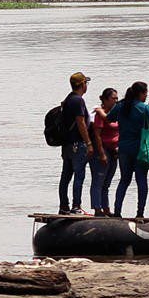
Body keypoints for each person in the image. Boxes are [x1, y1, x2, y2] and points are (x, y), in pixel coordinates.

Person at [111, 81, 149, 218]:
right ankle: (140, 214)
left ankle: (117, 212)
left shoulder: (120, 106)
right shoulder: (145, 108)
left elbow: (109, 119)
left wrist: (100, 111)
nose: (146, 96)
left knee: (124, 180)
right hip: (140, 150)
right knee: (141, 180)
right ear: (141, 93)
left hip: (124, 149)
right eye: (145, 93)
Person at [57, 72, 92, 215]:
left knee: (65, 176)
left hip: (67, 144)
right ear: (82, 84)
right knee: (79, 175)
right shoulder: (78, 100)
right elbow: (81, 122)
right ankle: (75, 206)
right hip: (77, 144)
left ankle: (63, 206)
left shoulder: (68, 100)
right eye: (86, 83)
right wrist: (88, 142)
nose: (86, 86)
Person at [89, 86, 119, 216]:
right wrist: (101, 153)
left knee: (107, 183)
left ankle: (106, 208)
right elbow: (97, 135)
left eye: (117, 98)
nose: (116, 101)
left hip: (114, 151)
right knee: (98, 181)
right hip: (102, 150)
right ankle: (97, 208)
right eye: (113, 98)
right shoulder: (100, 115)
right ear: (105, 100)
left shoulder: (115, 114)